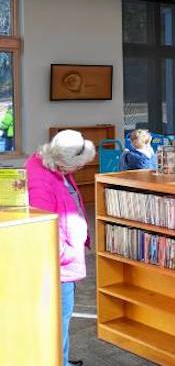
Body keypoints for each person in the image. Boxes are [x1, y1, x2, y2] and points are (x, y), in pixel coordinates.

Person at [26, 130, 95, 366]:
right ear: (66, 162)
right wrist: (67, 255)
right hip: (59, 267)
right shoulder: (41, 180)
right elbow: (45, 231)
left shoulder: (53, 165)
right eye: (78, 166)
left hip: (66, 260)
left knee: (60, 320)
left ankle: (61, 359)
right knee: (58, 319)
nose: (78, 171)